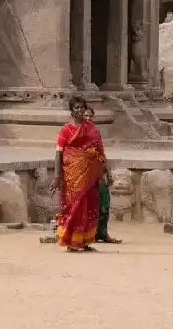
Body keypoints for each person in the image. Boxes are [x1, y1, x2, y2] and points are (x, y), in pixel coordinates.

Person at [52, 96, 106, 252]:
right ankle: (71, 242)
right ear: (71, 111)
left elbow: (99, 150)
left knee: (90, 205)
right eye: (76, 107)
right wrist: (56, 176)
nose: (80, 110)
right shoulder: (66, 130)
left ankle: (85, 241)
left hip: (90, 175)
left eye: (82, 107)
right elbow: (59, 154)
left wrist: (103, 171)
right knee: (74, 207)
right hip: (72, 176)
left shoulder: (92, 128)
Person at [82, 106, 122, 244]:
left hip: (98, 171)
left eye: (90, 116)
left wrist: (108, 172)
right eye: (85, 116)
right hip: (83, 174)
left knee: (104, 203)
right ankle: (87, 235)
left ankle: (103, 233)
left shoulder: (95, 132)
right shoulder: (77, 132)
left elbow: (101, 152)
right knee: (87, 206)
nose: (88, 119)